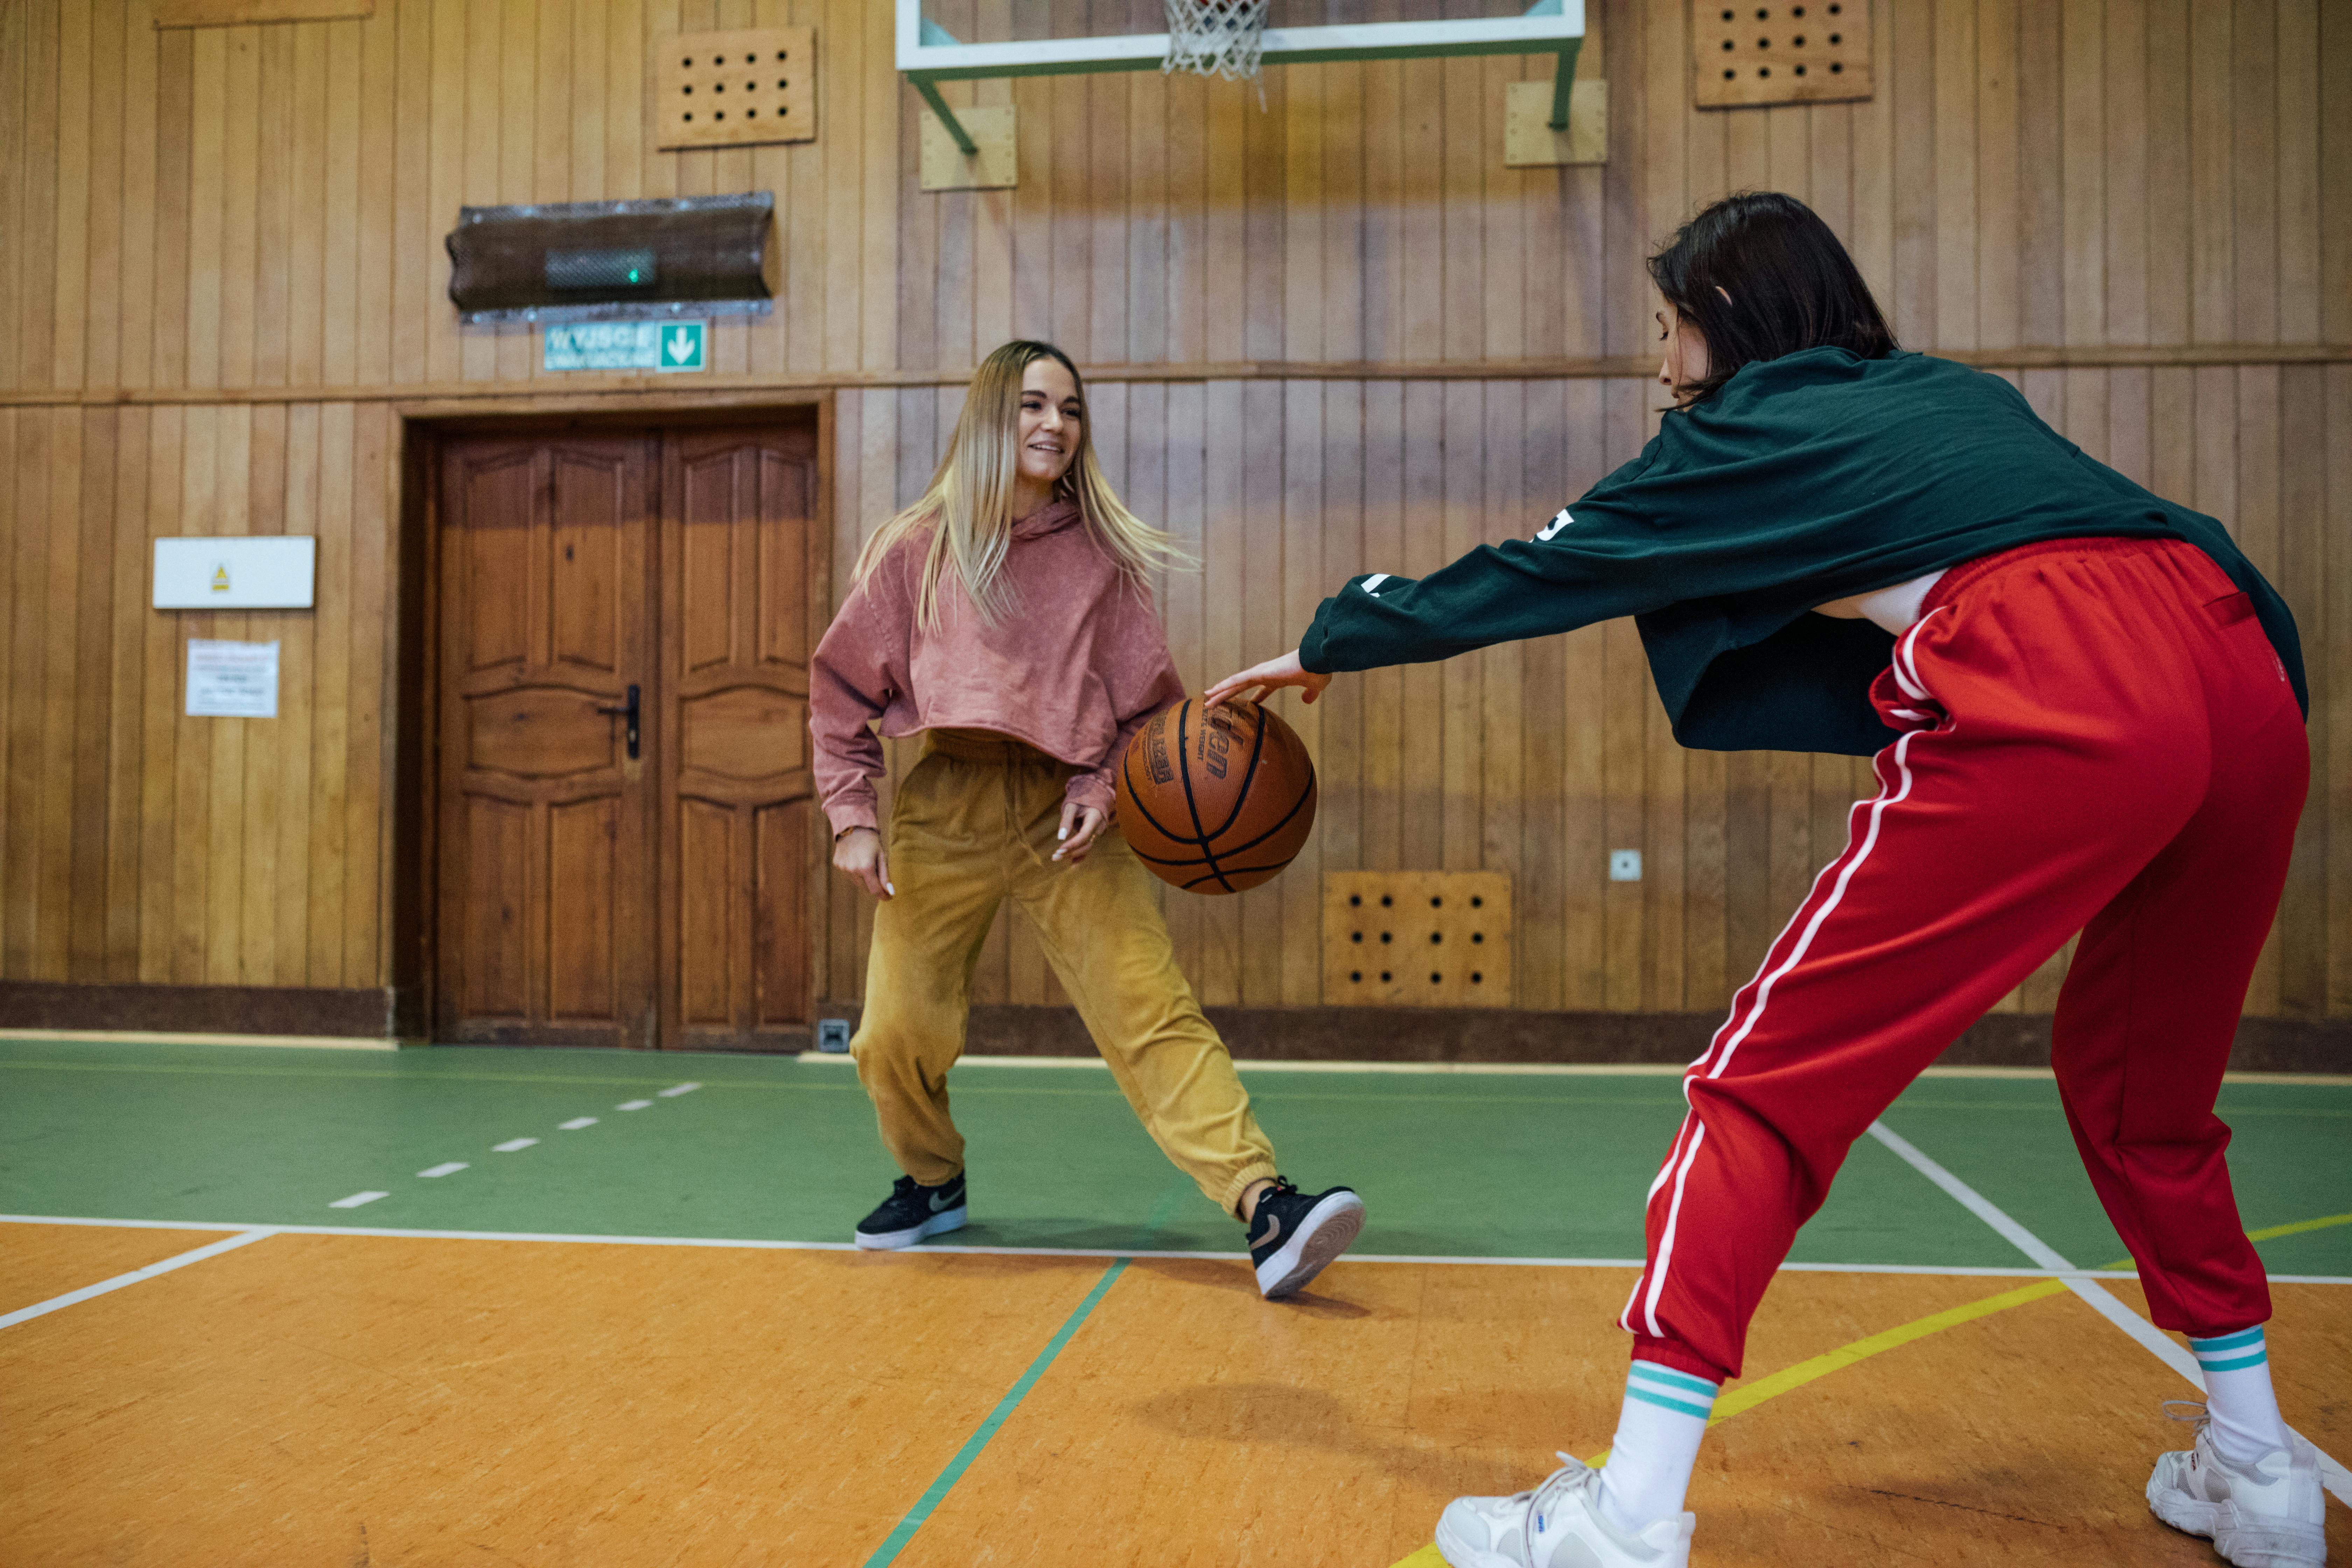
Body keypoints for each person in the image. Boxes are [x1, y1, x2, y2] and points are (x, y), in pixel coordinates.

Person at [1208, 193, 2322, 1567]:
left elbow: (1546, 569)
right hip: (2242, 667)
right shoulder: (1946, 395)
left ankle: (1626, 1516)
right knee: (2143, 1095)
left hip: (2065, 672)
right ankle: (2260, 1473)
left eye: (1671, 330)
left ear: (1726, 327)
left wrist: (1339, 638)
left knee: (1758, 1089)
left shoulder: (1748, 428)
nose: (1663, 366)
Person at [810, 338, 1364, 1300]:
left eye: (1069, 411)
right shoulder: (917, 550)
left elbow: (1151, 712)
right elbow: (837, 693)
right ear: (992, 417)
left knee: (1147, 1008)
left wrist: (1104, 786)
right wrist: (852, 814)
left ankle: (1263, 1202)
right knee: (893, 1031)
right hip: (946, 806)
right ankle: (932, 1181)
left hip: (1072, 814)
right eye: (1032, 406)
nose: (1054, 426)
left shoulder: (1103, 562)